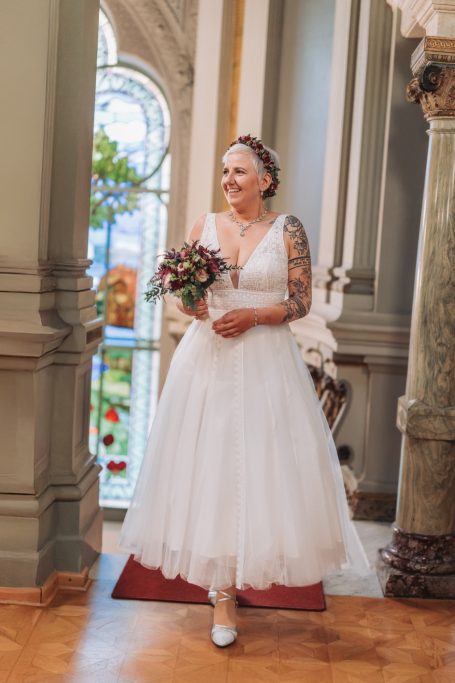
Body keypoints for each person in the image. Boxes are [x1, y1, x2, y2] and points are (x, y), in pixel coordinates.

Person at [119, 134, 369, 648]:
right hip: (206, 360)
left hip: (266, 362)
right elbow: (187, 294)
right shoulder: (204, 226)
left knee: (257, 468)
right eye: (225, 171)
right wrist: (191, 303)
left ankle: (246, 568)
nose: (228, 180)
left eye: (239, 171)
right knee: (210, 466)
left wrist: (254, 315)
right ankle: (223, 592)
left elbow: (299, 302)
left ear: (264, 180)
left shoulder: (288, 229)